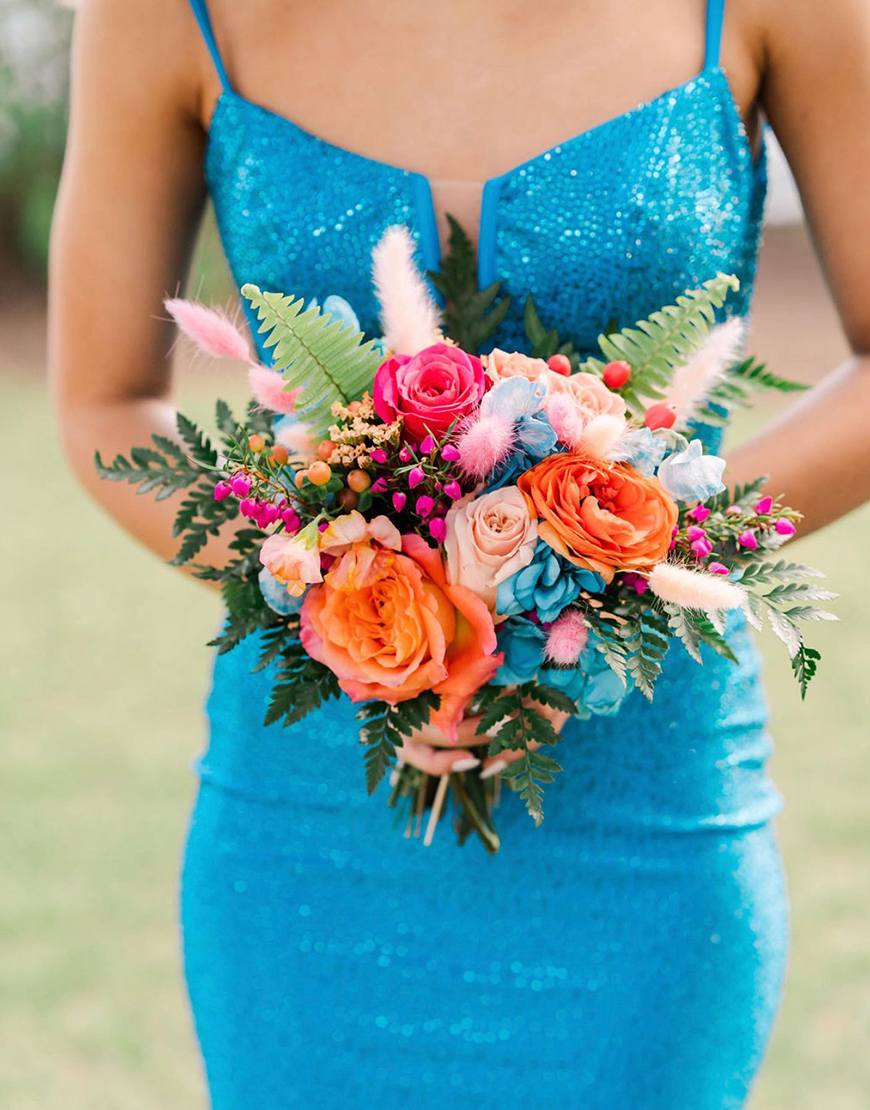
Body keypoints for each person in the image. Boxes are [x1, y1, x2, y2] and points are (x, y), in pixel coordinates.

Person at [49, 0, 870, 1106]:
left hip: (645, 818)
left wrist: (626, 555)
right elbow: (103, 403)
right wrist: (360, 594)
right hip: (313, 839)